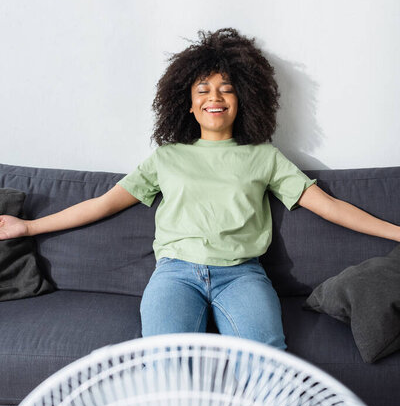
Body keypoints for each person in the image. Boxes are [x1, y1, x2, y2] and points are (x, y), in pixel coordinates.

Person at [0, 28, 399, 350]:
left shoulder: (264, 157)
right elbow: (103, 204)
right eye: (202, 89)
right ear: (187, 104)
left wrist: (396, 232)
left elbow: (329, 206)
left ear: (242, 99)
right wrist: (29, 228)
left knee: (268, 359)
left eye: (226, 88)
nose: (215, 97)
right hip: (176, 273)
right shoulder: (167, 157)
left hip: (242, 275)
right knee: (163, 359)